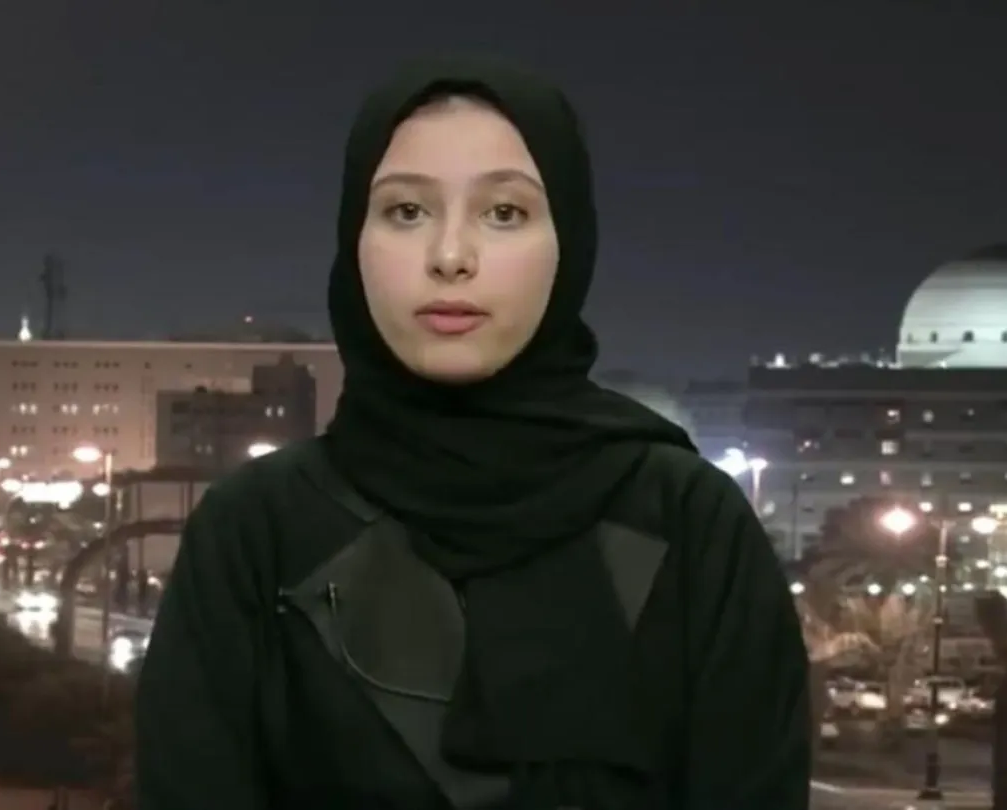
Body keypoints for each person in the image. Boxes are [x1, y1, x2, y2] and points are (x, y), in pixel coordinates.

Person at [136, 56, 810, 810]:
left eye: (505, 213)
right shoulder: (255, 528)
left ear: (571, 242)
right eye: (405, 211)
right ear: (353, 240)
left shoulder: (690, 521)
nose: (450, 257)